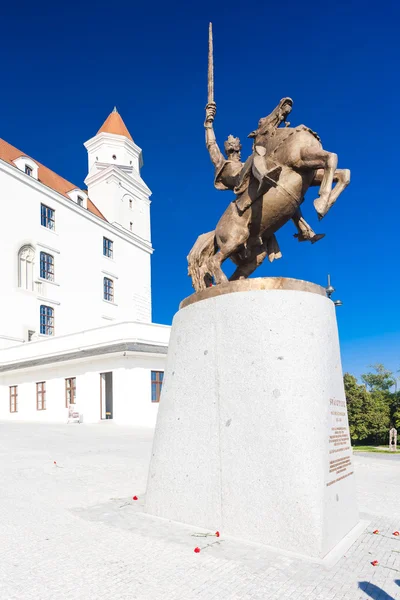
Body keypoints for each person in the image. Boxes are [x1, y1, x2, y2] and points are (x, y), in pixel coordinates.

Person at [204, 101, 324, 244]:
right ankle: (264, 176)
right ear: (228, 150)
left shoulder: (245, 163)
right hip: (239, 181)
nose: (236, 150)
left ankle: (304, 229)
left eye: (237, 148)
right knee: (258, 153)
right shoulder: (223, 163)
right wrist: (208, 123)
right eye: (233, 148)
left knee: (286, 185)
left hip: (251, 179)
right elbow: (211, 145)